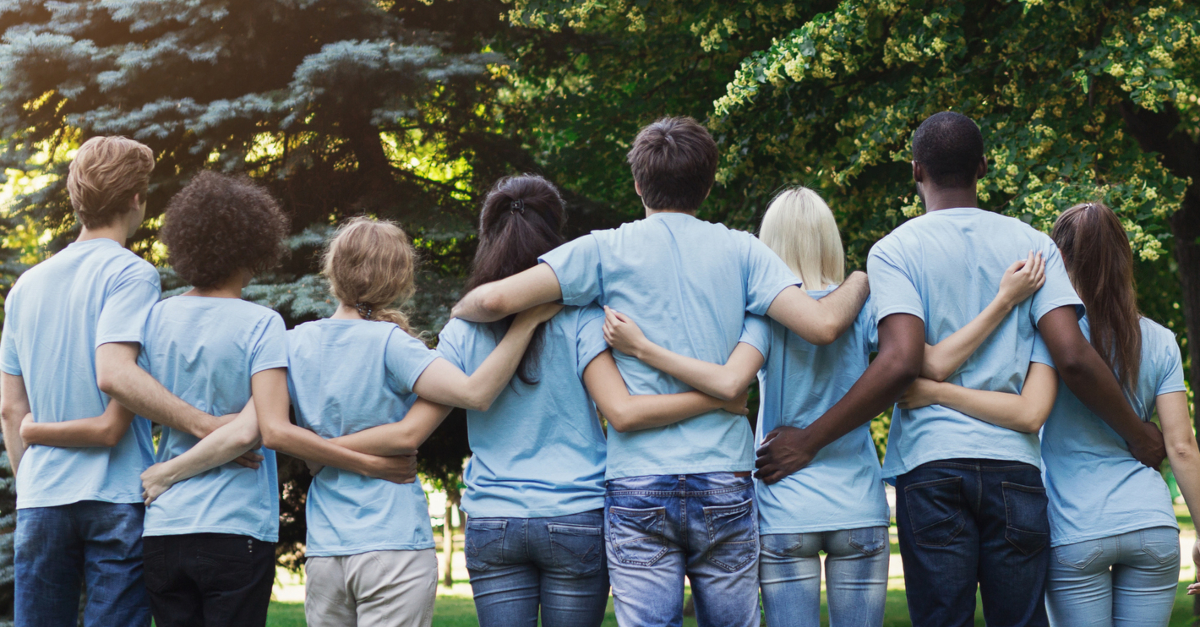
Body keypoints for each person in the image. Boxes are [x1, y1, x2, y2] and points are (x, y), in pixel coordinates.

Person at [747, 112, 1165, 627]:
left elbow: (900, 361)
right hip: (1014, 469)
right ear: (984, 167)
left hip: (932, 466)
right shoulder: (1035, 248)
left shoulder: (895, 251)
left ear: (916, 170)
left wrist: (808, 441)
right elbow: (1074, 357)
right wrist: (1139, 436)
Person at [450, 117, 869, 627]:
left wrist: (466, 311)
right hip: (723, 476)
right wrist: (860, 280)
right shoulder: (744, 251)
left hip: (638, 480)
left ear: (637, 184)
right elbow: (824, 325)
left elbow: (491, 299)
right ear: (709, 183)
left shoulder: (603, 250)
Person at [603, 187, 1045, 627]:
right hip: (857, 505)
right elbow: (926, 363)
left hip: (783, 503)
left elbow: (726, 382)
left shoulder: (760, 314)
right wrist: (1000, 303)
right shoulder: (867, 308)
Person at [324, 175, 748, 627]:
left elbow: (414, 426)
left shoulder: (465, 328)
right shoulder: (583, 319)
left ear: (487, 235)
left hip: (494, 518)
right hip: (575, 514)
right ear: (555, 242)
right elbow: (622, 410)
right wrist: (715, 397)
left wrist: (326, 444)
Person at [252, 216, 561, 627]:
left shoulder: (293, 342)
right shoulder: (391, 344)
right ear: (397, 279)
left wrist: (321, 454)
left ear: (333, 271)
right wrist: (525, 322)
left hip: (326, 550)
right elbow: (475, 393)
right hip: (393, 542)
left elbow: (271, 429)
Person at [902, 201, 1200, 626]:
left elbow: (1026, 413)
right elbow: (1183, 448)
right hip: (1152, 525)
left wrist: (936, 393)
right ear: (1124, 258)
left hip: (1076, 529)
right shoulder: (1160, 340)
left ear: (1056, 259)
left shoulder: (1046, 336)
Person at [0, 136, 161, 626]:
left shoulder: (26, 286)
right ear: (136, 199)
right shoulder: (133, 275)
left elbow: (11, 409)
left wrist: (31, 478)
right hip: (115, 493)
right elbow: (119, 382)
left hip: (42, 495)